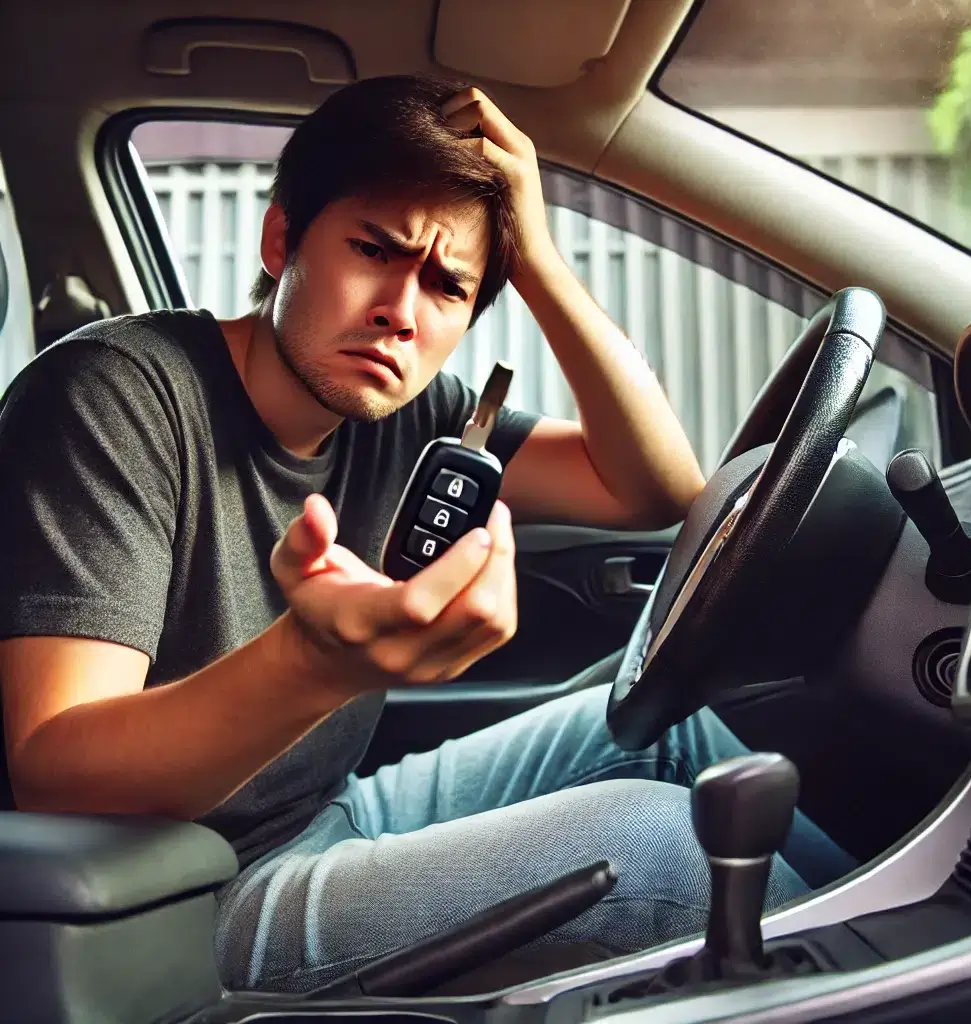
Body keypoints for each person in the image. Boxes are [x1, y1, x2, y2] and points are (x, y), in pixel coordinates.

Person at [0, 75, 853, 993]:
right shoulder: (111, 397)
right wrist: (316, 662)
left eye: (448, 286)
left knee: (678, 736)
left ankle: (885, 948)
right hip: (185, 890)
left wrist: (537, 262)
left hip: (336, 809)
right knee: (660, 848)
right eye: (374, 249)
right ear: (282, 237)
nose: (401, 314)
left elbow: (652, 486)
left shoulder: (407, 410)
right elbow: (62, 778)